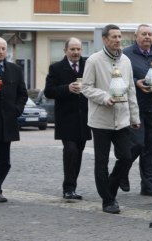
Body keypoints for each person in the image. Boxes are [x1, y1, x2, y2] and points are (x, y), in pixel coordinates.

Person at [82, 24, 140, 214]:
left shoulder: (126, 61)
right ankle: (107, 201)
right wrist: (105, 97)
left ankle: (111, 189)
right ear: (105, 39)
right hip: (101, 120)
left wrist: (134, 116)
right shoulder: (93, 60)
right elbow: (86, 87)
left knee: (126, 157)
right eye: (113, 37)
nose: (117, 40)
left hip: (122, 119)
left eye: (119, 36)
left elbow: (131, 89)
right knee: (102, 161)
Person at [120, 24, 152, 196]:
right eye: (144, 34)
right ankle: (122, 172)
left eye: (150, 34)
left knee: (151, 147)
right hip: (135, 106)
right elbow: (119, 75)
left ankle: (148, 185)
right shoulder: (126, 54)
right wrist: (136, 81)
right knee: (137, 144)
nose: (147, 37)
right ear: (136, 36)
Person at [44, 37, 92, 200]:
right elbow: (49, 91)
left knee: (78, 153)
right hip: (66, 119)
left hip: (84, 118)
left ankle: (72, 186)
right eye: (72, 49)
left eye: (78, 49)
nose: (76, 52)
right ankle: (68, 188)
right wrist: (67, 88)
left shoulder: (88, 66)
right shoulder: (56, 68)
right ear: (65, 51)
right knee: (70, 150)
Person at [0, 37, 28, 203]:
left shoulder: (14, 69)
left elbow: (22, 94)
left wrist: (16, 111)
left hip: (7, 122)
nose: (0, 51)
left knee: (4, 162)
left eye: (3, 48)